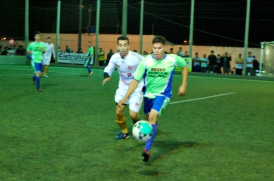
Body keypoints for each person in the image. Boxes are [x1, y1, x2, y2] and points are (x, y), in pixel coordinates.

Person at [118, 36, 188, 162]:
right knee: (147, 118)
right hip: (148, 95)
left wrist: (184, 84)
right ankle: (154, 125)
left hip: (163, 94)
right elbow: (135, 80)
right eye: (155, 48)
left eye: (160, 48)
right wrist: (126, 97)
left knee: (152, 117)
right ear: (151, 48)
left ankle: (147, 150)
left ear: (165, 48)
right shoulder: (146, 61)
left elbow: (184, 66)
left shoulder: (173, 59)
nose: (157, 51)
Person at [102, 36, 144, 140]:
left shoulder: (136, 57)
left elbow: (147, 63)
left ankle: (138, 126)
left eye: (125, 45)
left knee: (133, 115)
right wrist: (106, 76)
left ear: (129, 46)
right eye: (120, 45)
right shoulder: (115, 57)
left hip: (136, 88)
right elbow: (109, 68)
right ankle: (125, 132)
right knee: (118, 112)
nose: (123, 48)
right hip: (123, 88)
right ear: (117, 46)